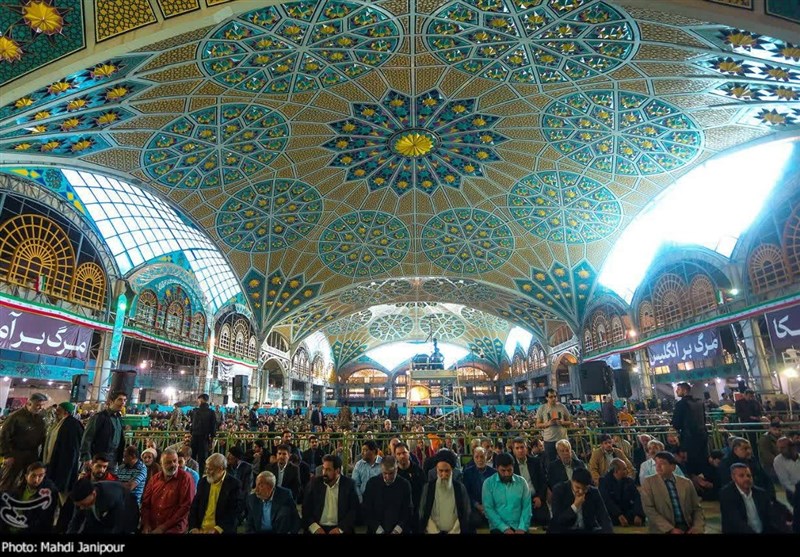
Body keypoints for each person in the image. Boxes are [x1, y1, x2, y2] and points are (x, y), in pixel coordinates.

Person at [640, 452, 705, 534]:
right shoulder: (649, 482)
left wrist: (697, 527)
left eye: (662, 463)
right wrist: (670, 529)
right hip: (662, 529)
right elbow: (649, 510)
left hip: (687, 527)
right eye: (656, 463)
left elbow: (697, 508)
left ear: (673, 467)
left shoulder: (686, 483)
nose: (658, 466)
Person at [140, 448, 195, 534]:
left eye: (175, 461)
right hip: (152, 526)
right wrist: (146, 524)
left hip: (174, 527)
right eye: (168, 462)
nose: (173, 464)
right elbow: (146, 504)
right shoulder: (154, 479)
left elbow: (185, 508)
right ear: (161, 464)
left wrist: (163, 528)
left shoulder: (186, 479)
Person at [0, 392, 48, 491]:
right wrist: (7, 455)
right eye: (37, 405)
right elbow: (3, 436)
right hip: (16, 453)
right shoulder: (16, 417)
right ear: (29, 403)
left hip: (32, 454)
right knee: (8, 481)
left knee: (27, 482)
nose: (40, 408)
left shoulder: (40, 418)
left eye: (42, 405)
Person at [302, 454, 359, 534]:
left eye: (328, 470)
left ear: (337, 471)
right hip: (317, 527)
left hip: (340, 528)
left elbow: (354, 510)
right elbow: (306, 509)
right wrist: (315, 528)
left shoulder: (349, 485)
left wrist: (340, 529)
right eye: (323, 469)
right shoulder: (314, 483)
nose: (324, 473)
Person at [419, 449, 471, 534]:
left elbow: (465, 512)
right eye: (441, 471)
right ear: (436, 470)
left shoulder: (460, 488)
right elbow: (423, 512)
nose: (444, 475)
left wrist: (454, 531)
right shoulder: (428, 488)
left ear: (452, 470)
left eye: (447, 471)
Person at [188, 453, 241, 534]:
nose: (207, 472)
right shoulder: (203, 482)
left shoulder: (234, 485)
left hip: (221, 530)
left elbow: (233, 512)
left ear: (220, 469)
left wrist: (217, 530)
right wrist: (193, 527)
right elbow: (194, 507)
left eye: (210, 469)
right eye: (206, 468)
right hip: (200, 530)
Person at [548, 467, 613, 534]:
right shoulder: (559, 490)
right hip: (564, 529)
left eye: (585, 489)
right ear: (571, 481)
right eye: (577, 487)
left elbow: (604, 516)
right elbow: (558, 520)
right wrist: (575, 506)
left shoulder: (594, 492)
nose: (581, 491)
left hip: (586, 530)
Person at [0, 462, 58, 534]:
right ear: (26, 476)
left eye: (40, 476)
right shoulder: (16, 488)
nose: (36, 480)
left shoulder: (47, 495)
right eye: (33, 475)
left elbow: (42, 521)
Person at [362, 455, 414, 534]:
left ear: (396, 469)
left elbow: (407, 511)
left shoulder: (405, 485)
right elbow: (367, 510)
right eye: (385, 473)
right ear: (381, 470)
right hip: (375, 530)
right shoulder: (372, 484)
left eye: (391, 473)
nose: (388, 477)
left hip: (399, 530)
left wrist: (397, 530)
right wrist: (379, 530)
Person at [67, 477, 139, 534]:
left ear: (93, 494)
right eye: (79, 505)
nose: (81, 507)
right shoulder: (81, 498)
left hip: (127, 515)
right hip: (101, 516)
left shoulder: (111, 497)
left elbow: (118, 525)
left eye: (83, 504)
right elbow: (75, 521)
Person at [481, 452, 531, 534]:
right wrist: (504, 528)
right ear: (497, 468)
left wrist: (522, 528)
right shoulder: (488, 483)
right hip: (498, 527)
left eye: (509, 470)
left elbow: (527, 508)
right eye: (503, 471)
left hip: (519, 526)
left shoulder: (522, 482)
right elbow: (488, 509)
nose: (507, 474)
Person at [43, 401, 83, 498]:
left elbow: (72, 449)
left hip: (64, 464)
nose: (56, 412)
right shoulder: (59, 423)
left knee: (61, 491)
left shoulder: (73, 425)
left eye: (58, 410)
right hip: (54, 462)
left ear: (66, 412)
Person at [719, 463, 774, 534]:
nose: (747, 478)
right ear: (733, 477)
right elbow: (736, 522)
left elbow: (770, 517)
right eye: (741, 476)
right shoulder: (726, 494)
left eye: (749, 475)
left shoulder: (761, 493)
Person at [79, 390, 126, 471]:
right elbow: (87, 438)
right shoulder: (99, 417)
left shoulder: (119, 418)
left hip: (113, 459)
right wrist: (87, 457)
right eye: (120, 399)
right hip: (98, 459)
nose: (123, 403)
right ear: (111, 401)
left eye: (124, 400)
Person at [671, 382, 709, 476]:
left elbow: (676, 424)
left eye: (678, 389)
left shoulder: (681, 404)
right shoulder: (700, 402)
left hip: (689, 439)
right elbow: (704, 419)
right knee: (703, 462)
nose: (676, 391)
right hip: (703, 436)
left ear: (684, 390)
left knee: (691, 466)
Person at [510, 437, 548, 527]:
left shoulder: (535, 462)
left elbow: (543, 482)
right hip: (518, 501)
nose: (520, 450)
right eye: (517, 448)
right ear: (513, 450)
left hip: (535, 499)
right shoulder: (510, 465)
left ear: (526, 448)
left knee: (544, 518)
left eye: (522, 447)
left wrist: (540, 497)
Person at [599, 458, 645, 527]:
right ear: (616, 471)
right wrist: (619, 515)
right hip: (612, 514)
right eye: (624, 469)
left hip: (626, 511)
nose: (627, 471)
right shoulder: (604, 482)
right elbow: (607, 501)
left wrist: (638, 514)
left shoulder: (629, 481)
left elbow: (637, 497)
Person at [462, 446, 497, 530]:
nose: (479, 459)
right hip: (475, 506)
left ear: (486, 457)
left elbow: (496, 493)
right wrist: (478, 506)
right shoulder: (467, 472)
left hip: (491, 506)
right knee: (475, 520)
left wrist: (488, 507)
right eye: (476, 457)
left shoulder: (493, 473)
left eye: (482, 456)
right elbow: (467, 493)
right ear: (473, 458)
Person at [533, 389, 571, 464]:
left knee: (566, 461)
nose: (553, 398)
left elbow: (569, 422)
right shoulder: (542, 408)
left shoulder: (562, 406)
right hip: (549, 441)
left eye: (555, 396)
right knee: (550, 463)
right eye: (551, 397)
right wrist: (547, 424)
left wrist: (562, 422)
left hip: (562, 439)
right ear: (546, 398)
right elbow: (537, 425)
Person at [394, 442, 425, 532]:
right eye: (398, 454)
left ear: (409, 453)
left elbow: (424, 492)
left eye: (404, 453)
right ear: (395, 456)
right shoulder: (393, 473)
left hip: (416, 513)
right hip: (399, 514)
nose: (402, 456)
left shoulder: (418, 471)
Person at [190, 394, 217, 477]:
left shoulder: (195, 411)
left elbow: (192, 425)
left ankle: (191, 475)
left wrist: (191, 433)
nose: (197, 401)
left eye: (198, 400)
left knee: (192, 457)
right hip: (204, 438)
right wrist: (211, 440)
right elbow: (213, 427)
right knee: (202, 459)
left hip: (194, 437)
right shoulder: (211, 412)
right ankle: (200, 476)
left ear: (201, 400)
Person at [773, 436, 800, 501]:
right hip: (794, 494)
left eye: (782, 448)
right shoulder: (778, 461)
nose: (779, 451)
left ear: (792, 447)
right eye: (778, 448)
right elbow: (785, 482)